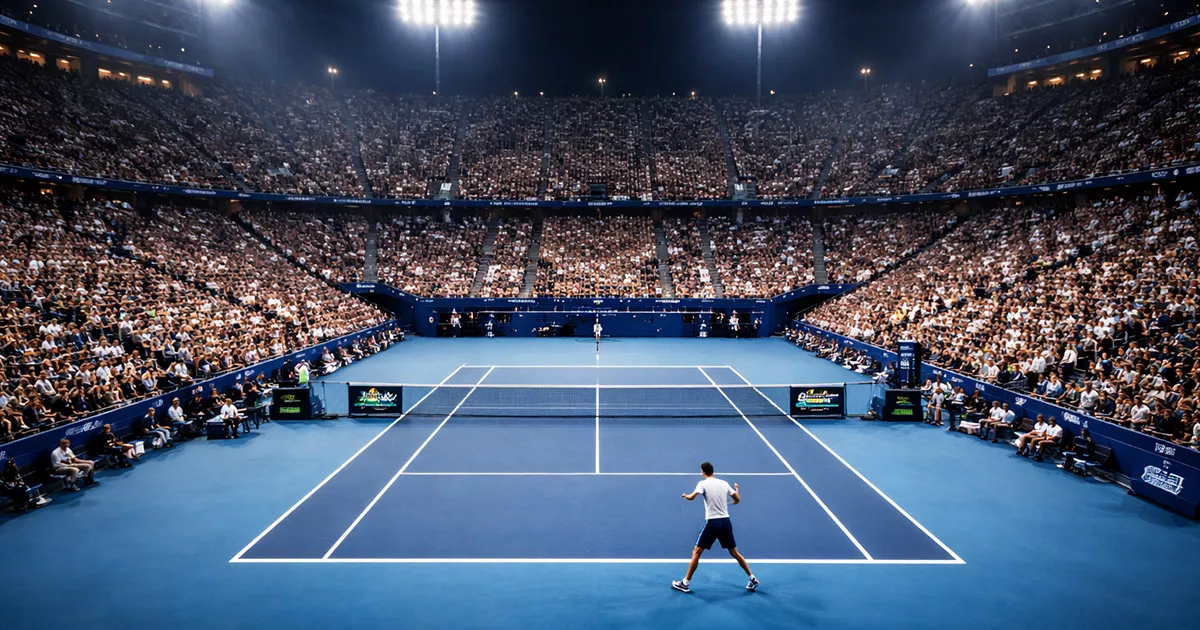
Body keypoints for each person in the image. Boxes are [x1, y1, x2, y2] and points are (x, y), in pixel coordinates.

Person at [672, 462, 758, 594]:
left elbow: (692, 497)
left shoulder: (702, 484)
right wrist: (735, 494)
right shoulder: (724, 483)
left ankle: (685, 583)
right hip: (726, 522)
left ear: (703, 472)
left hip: (713, 523)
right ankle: (752, 578)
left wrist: (685, 496)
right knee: (734, 552)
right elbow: (737, 499)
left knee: (697, 552)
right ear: (713, 471)